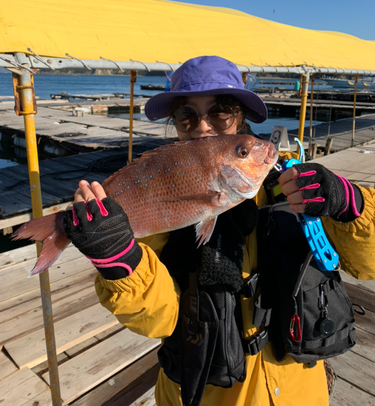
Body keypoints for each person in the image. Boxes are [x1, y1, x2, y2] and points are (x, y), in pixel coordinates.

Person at [64, 56, 375, 406]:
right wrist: (119, 262)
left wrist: (351, 205)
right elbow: (159, 321)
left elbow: (368, 266)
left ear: (240, 115)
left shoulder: (295, 188)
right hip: (204, 394)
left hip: (298, 392)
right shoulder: (162, 194)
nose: (203, 127)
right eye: (186, 115)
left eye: (220, 112)